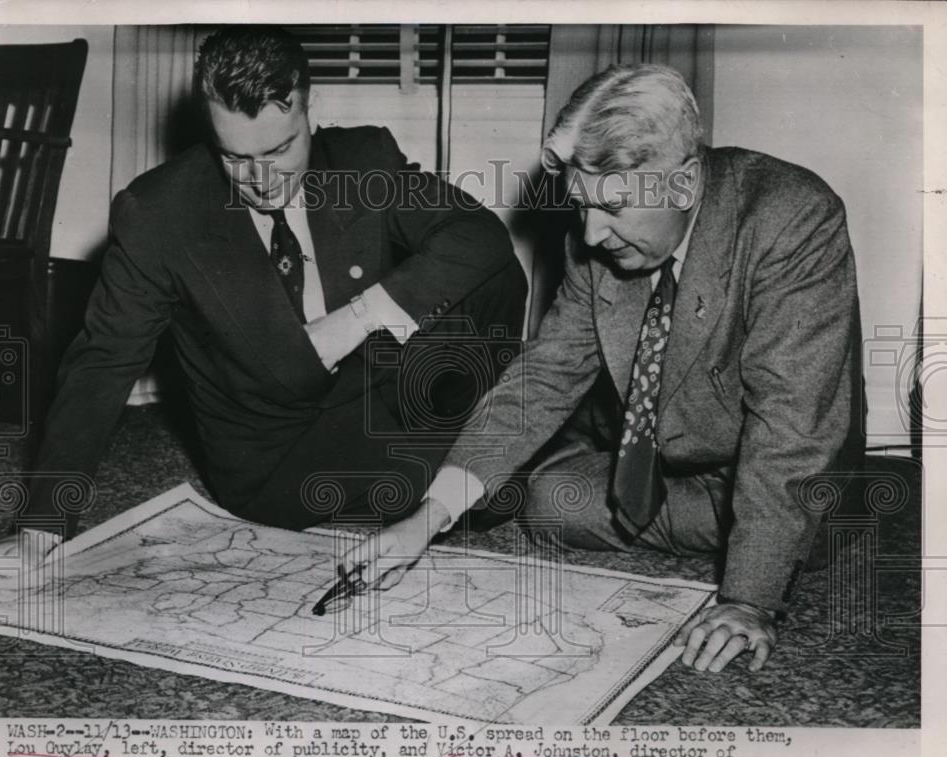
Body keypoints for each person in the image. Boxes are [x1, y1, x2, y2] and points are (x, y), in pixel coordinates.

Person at [347, 64, 863, 674]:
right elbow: (543, 376)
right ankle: (715, 526)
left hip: (786, 471)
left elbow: (792, 429)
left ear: (684, 184)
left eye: (615, 206)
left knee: (781, 526)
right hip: (678, 470)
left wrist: (748, 599)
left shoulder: (793, 220)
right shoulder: (596, 236)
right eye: (580, 206)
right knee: (548, 502)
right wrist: (426, 519)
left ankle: (766, 547)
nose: (591, 236)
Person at [17, 26, 527, 539]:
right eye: (236, 158)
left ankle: (461, 451)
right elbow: (104, 359)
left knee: (495, 277)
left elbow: (478, 236)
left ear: (310, 107)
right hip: (278, 453)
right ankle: (467, 464)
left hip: (376, 394)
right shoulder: (157, 213)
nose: (262, 183)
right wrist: (44, 520)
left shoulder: (363, 159)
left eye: (280, 151)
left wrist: (357, 317)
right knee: (501, 485)